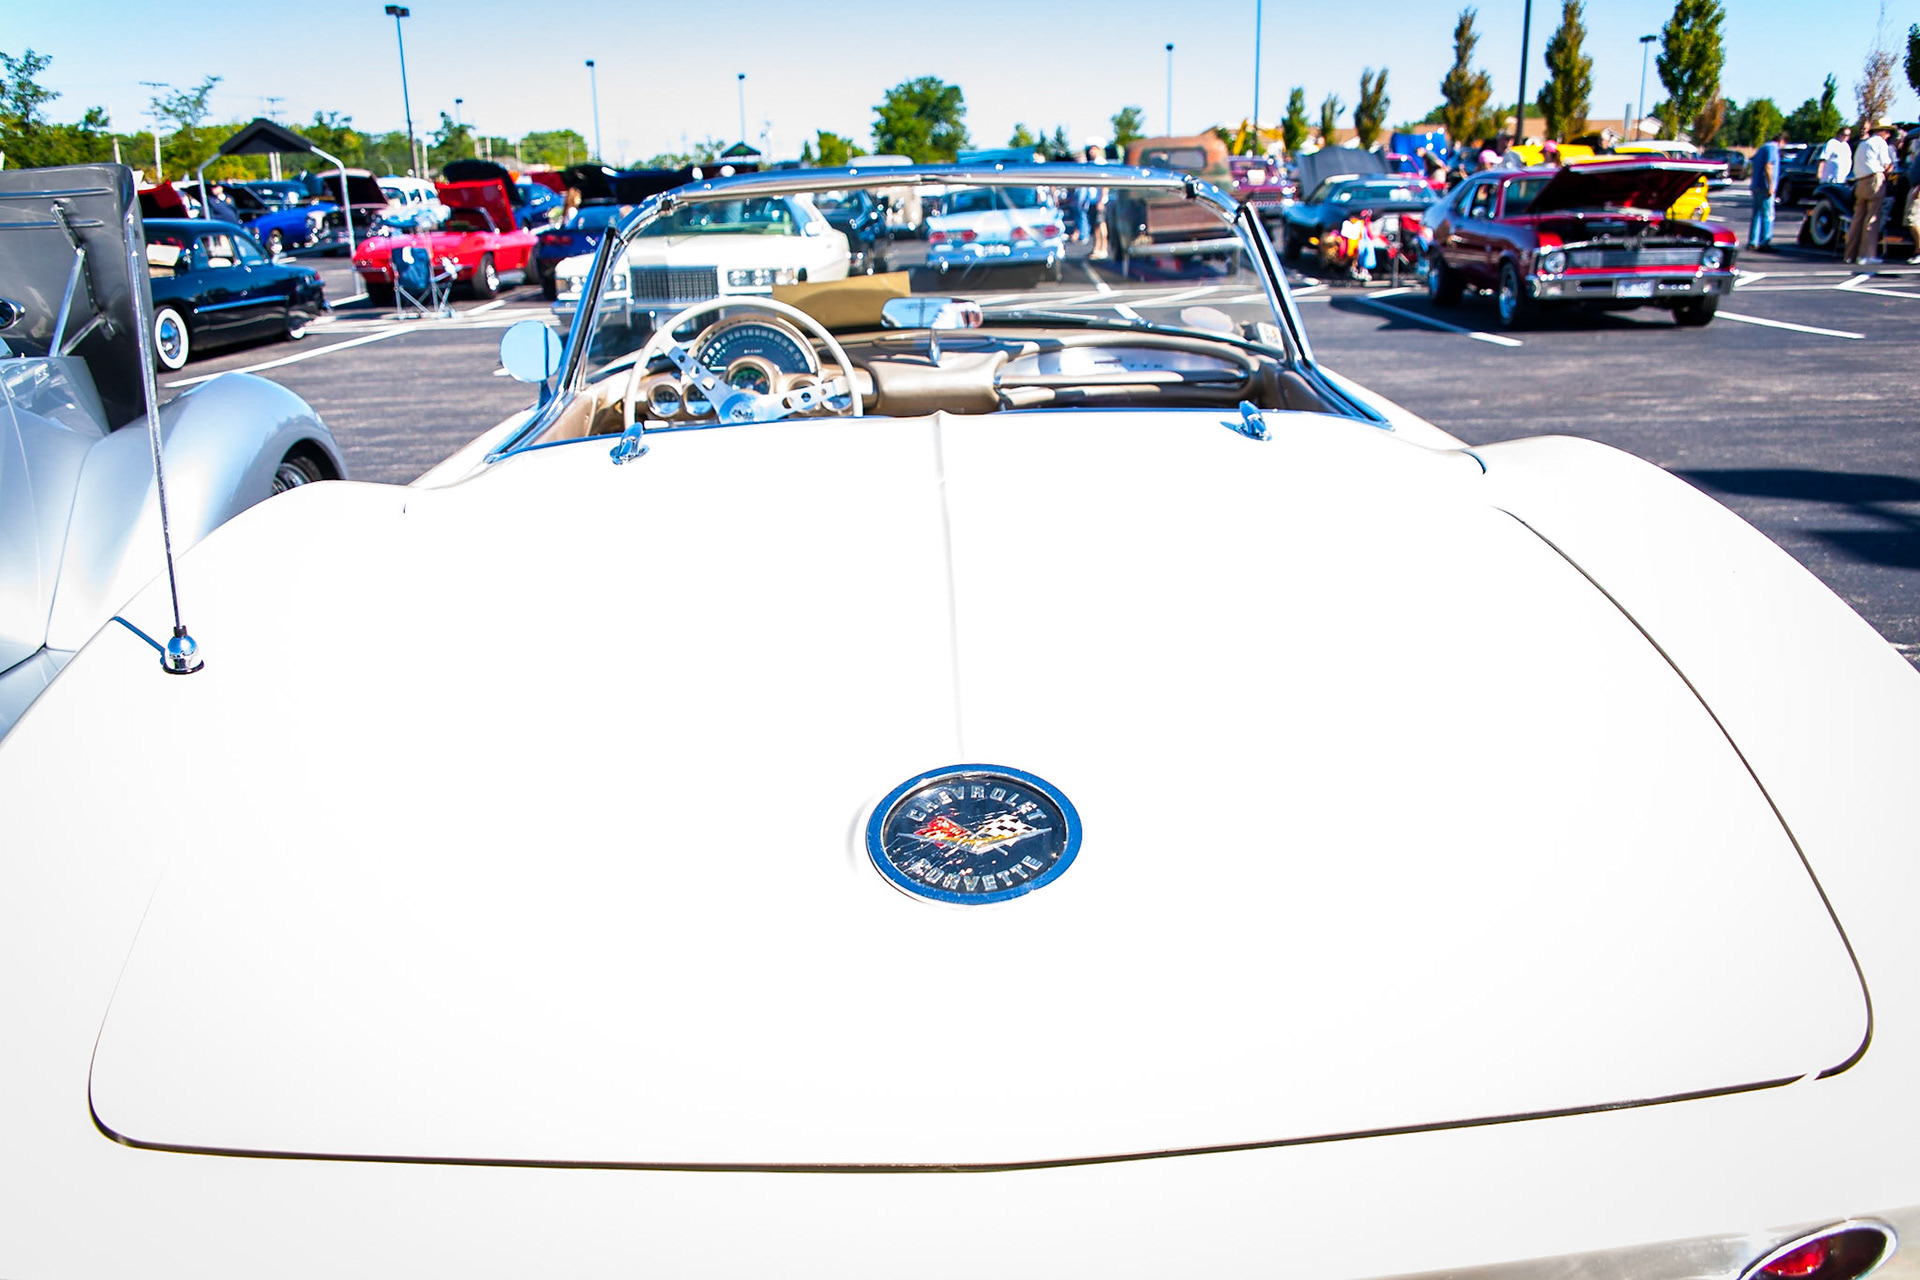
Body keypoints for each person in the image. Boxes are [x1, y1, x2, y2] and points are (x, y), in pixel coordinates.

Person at [1846, 121, 1896, 265]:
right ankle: (1866, 255)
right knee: (1872, 218)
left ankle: (1850, 254)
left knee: (1857, 218)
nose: (1888, 135)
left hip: (1860, 181)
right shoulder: (1880, 143)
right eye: (1887, 132)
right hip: (1874, 179)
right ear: (1882, 131)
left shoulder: (1863, 144)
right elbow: (1886, 164)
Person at [1748, 129, 1785, 251]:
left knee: (1756, 214)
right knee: (1768, 215)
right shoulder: (1773, 148)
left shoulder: (1763, 147)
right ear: (1781, 141)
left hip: (1756, 184)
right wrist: (1771, 186)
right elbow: (1769, 166)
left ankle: (1753, 241)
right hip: (1764, 186)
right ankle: (1765, 241)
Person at [1081, 144, 1109, 261]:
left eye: (1093, 149)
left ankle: (1104, 249)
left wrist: (1100, 200)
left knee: (1101, 224)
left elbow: (1105, 184)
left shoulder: (1101, 164)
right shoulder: (1092, 164)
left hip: (1099, 200)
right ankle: (1096, 248)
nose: (1091, 152)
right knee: (1095, 226)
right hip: (1092, 200)